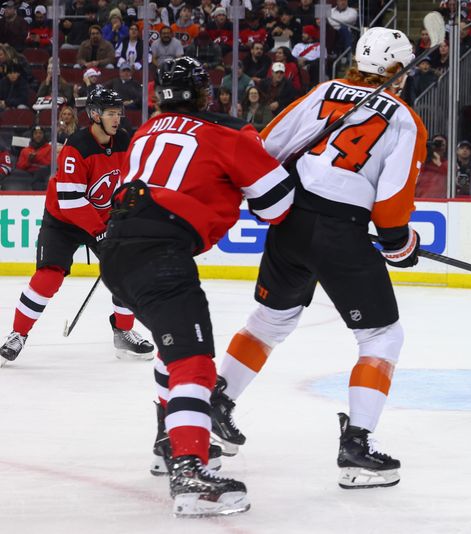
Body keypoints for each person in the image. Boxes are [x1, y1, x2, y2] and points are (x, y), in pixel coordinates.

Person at [208, 27, 427, 490]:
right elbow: (390, 207)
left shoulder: (325, 90)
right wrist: (398, 243)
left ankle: (214, 405)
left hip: (289, 221)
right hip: (340, 233)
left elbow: (266, 146)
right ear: (398, 72)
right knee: (382, 335)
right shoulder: (405, 119)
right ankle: (356, 448)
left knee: (269, 319)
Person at [99, 56, 292, 517]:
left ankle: (167, 443)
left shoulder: (149, 130)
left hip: (117, 248)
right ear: (208, 92)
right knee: (194, 363)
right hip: (161, 253)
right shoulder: (229, 134)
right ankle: (189, 471)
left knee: (173, 351)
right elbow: (277, 207)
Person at [0, 88, 154, 366]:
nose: (116, 118)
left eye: (118, 112)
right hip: (63, 221)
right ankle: (17, 335)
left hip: (101, 218)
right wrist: (102, 230)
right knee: (48, 277)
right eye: (110, 113)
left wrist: (129, 205)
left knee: (126, 270)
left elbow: (130, 179)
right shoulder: (77, 146)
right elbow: (70, 202)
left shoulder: (123, 140)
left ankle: (123, 331)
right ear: (95, 115)